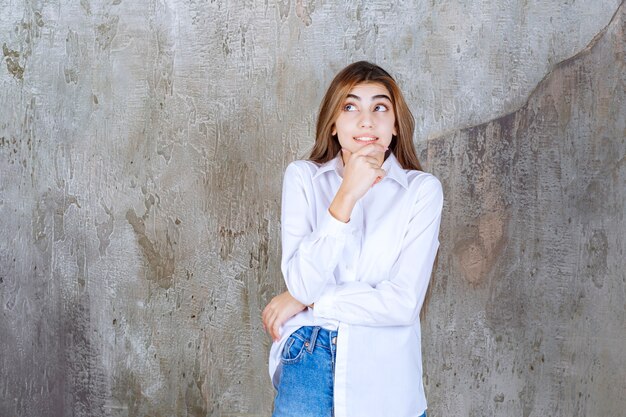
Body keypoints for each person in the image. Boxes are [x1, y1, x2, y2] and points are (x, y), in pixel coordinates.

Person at [262, 61, 443, 417]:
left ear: (394, 125)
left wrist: (309, 302)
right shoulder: (303, 179)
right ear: (333, 123)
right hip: (308, 362)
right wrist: (346, 195)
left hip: (387, 377)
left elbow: (403, 303)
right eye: (350, 107)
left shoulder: (422, 191)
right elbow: (300, 281)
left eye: (379, 107)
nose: (366, 120)